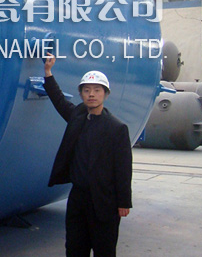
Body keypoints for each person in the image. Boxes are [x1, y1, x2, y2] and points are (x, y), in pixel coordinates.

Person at [43, 54, 132, 257]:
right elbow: (59, 100)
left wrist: (124, 202)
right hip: (78, 198)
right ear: (82, 94)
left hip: (104, 201)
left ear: (105, 94)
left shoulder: (117, 129)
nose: (91, 94)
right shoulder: (77, 117)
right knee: (75, 248)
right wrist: (48, 73)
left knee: (104, 250)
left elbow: (123, 168)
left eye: (97, 90)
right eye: (86, 90)